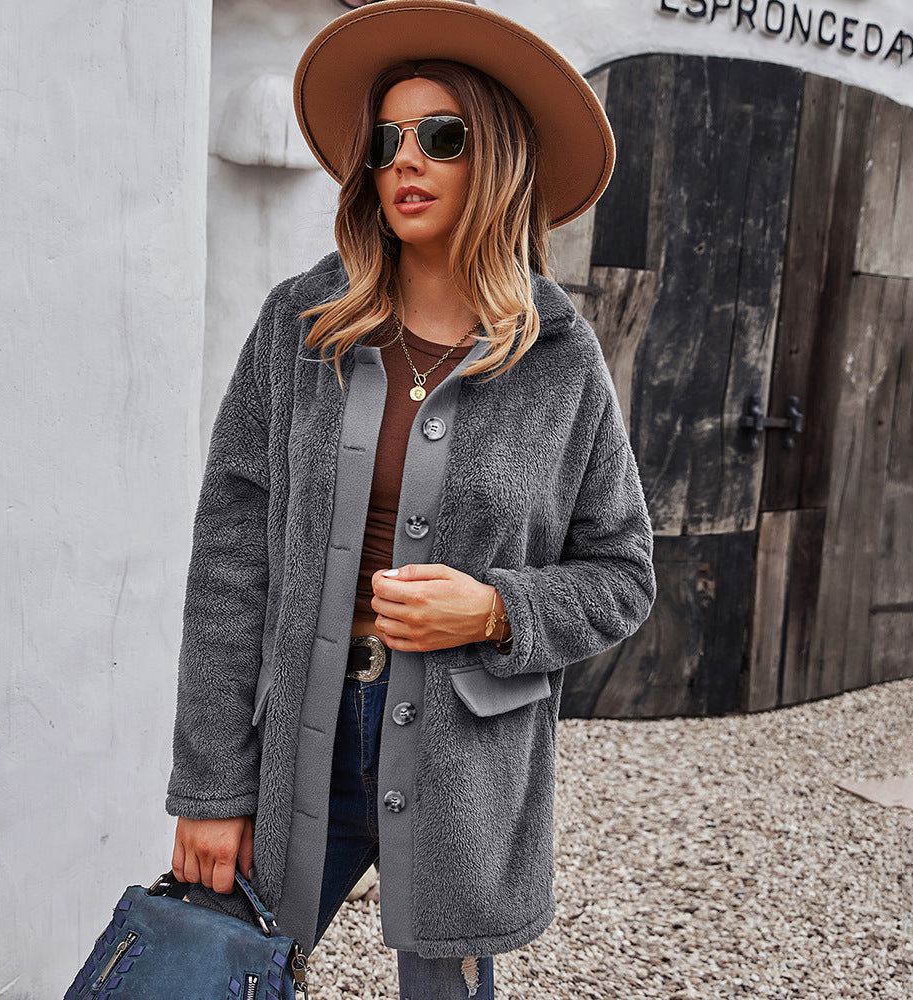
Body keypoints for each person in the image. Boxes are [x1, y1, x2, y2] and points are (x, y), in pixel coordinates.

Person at [165, 2, 656, 997]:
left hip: (465, 753)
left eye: (441, 136)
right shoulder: (302, 327)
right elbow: (229, 563)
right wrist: (211, 785)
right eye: (386, 140)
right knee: (216, 975)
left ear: (499, 159)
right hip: (300, 737)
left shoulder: (559, 360)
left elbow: (622, 573)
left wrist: (495, 608)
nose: (406, 161)